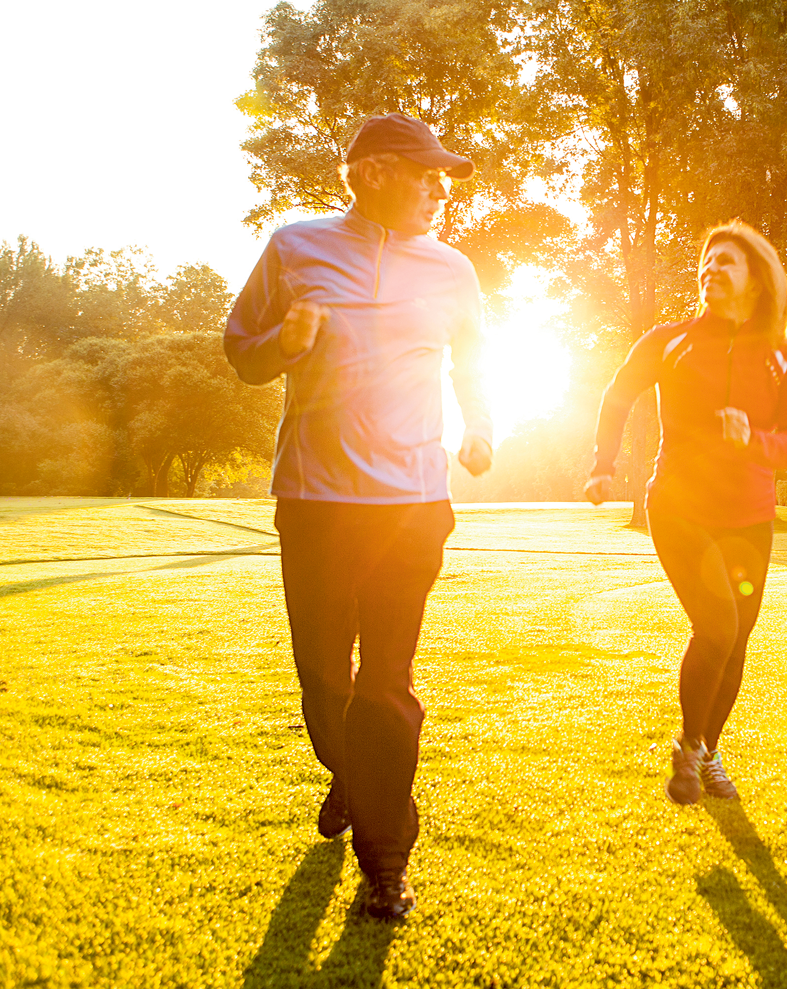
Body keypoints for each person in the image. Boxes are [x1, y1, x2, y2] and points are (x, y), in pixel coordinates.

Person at [223, 112, 493, 919]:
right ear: (371, 172)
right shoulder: (294, 246)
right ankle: (352, 775)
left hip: (411, 504)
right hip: (314, 503)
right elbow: (240, 348)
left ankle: (385, 856)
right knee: (322, 677)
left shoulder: (452, 269)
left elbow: (474, 358)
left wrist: (479, 425)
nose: (440, 190)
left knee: (386, 685)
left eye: (445, 176)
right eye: (425, 174)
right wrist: (285, 341)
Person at [584, 221, 787, 805]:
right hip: (680, 507)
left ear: (755, 281)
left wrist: (753, 441)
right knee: (717, 626)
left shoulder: (783, 356)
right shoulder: (670, 340)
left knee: (734, 644)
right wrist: (603, 465)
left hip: (750, 517)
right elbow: (618, 394)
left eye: (725, 262)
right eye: (705, 261)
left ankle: (704, 753)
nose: (710, 269)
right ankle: (690, 748)